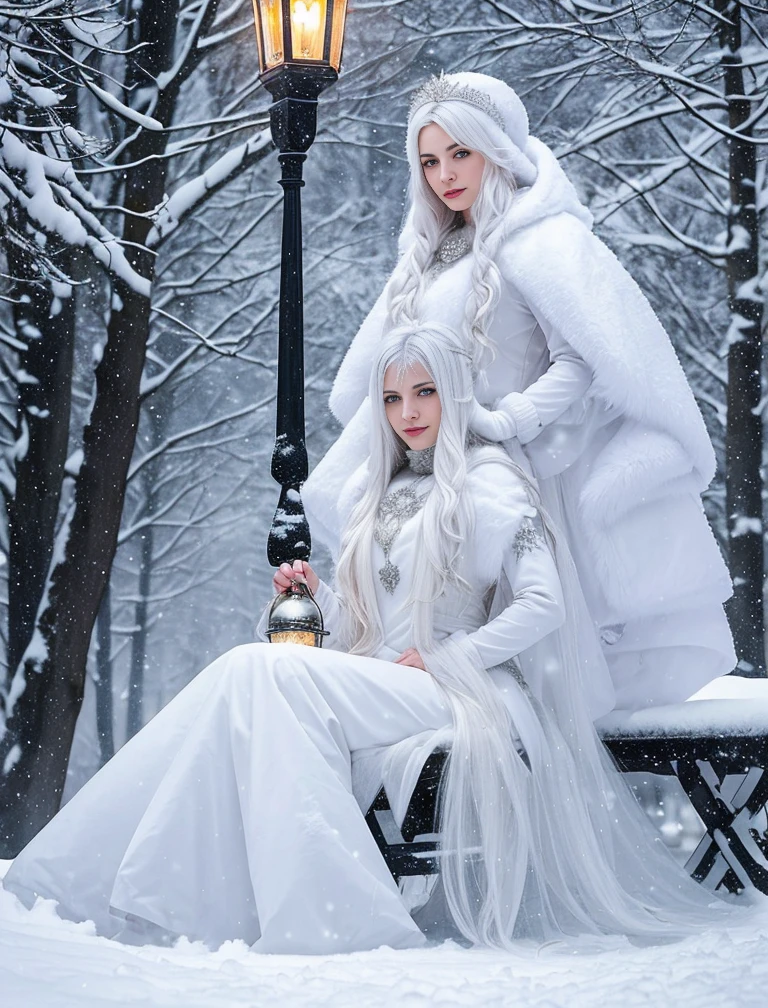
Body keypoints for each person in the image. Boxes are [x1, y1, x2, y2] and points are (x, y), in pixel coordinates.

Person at [3, 326, 736, 955]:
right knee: (246, 672)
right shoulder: (374, 493)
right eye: (391, 399)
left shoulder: (491, 481)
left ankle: (336, 918)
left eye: (424, 393)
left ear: (453, 394)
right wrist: (312, 597)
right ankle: (89, 878)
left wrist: (454, 657)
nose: (407, 413)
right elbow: (365, 632)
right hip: (385, 679)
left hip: (457, 690)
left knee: (263, 675)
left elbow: (544, 603)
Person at [301, 71, 736, 712]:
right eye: (428, 161)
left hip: (505, 463)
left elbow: (583, 360)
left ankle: (501, 743)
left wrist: (510, 418)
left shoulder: (542, 241)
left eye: (460, 154)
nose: (444, 174)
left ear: (494, 150)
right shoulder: (429, 254)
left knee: (528, 657)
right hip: (430, 458)